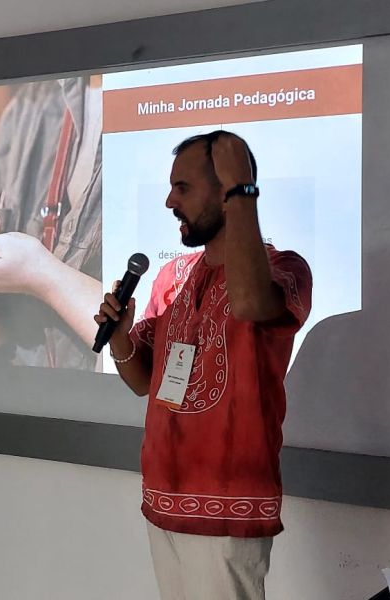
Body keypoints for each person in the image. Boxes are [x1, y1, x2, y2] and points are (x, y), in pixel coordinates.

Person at [95, 130, 312, 600]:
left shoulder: (285, 267)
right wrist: (120, 337)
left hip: (228, 508)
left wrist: (243, 191)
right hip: (163, 496)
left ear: (226, 191)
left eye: (183, 188)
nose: (169, 201)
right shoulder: (173, 277)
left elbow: (251, 303)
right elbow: (143, 381)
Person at [0, 76, 102, 369]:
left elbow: (150, 336)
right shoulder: (30, 104)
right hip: (18, 376)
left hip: (106, 389)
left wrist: (41, 275)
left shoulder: (158, 100)